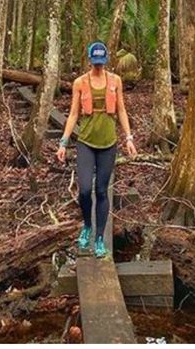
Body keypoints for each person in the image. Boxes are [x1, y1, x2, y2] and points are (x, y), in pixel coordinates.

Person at [55, 41, 137, 259]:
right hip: (86, 143)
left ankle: (99, 238)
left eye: (102, 62)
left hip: (108, 144)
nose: (99, 66)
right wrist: (63, 142)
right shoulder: (80, 83)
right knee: (84, 190)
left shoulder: (115, 81)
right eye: (95, 62)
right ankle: (87, 226)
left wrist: (128, 138)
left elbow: (121, 110)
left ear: (106, 60)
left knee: (101, 190)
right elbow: (73, 114)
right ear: (90, 60)